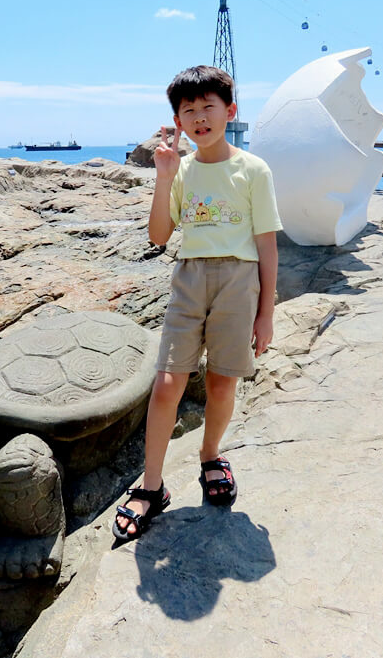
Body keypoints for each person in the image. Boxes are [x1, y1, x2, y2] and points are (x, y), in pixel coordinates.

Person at [113, 65, 283, 540]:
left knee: (222, 383)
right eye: (189, 110)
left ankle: (210, 453)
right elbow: (159, 236)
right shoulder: (181, 170)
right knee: (167, 383)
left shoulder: (253, 170)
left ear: (230, 111)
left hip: (239, 278)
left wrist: (266, 312)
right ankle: (152, 486)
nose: (199, 117)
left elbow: (267, 243)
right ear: (178, 120)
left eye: (209, 107)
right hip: (189, 278)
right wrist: (164, 177)